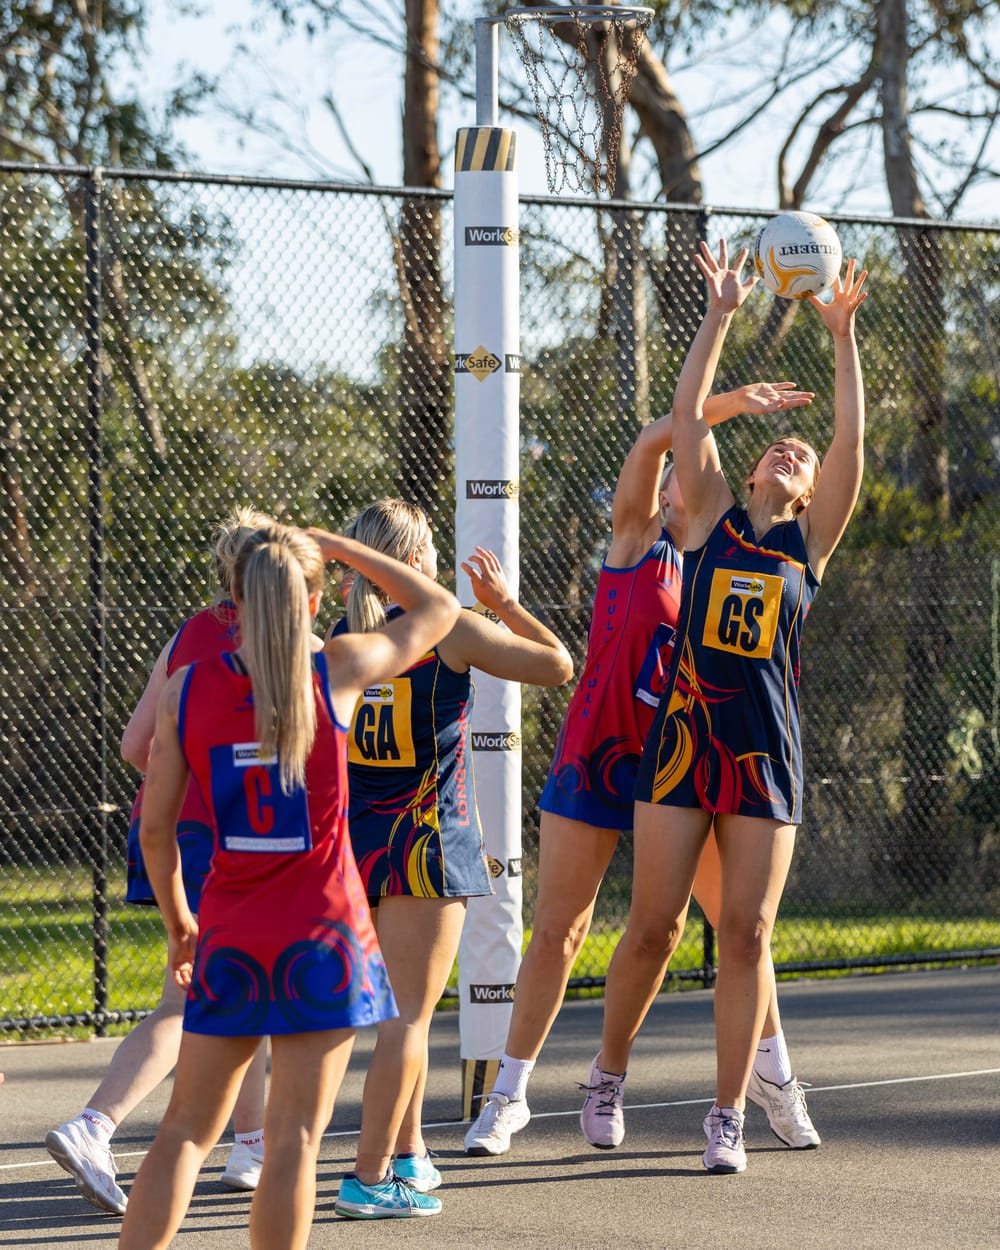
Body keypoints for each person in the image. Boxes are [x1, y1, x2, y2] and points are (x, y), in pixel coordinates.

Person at [464, 371, 822, 1159]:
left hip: (689, 760)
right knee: (560, 928)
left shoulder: (740, 553)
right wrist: (728, 404)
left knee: (737, 932)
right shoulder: (637, 541)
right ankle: (508, 1096)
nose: (687, 470)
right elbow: (664, 434)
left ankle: (775, 1079)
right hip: (605, 752)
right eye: (678, 468)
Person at [594, 240, 867, 1175]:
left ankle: (727, 1115)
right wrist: (719, 314)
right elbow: (685, 416)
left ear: (809, 491)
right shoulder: (709, 518)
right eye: (778, 447)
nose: (792, 451)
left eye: (802, 456)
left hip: (763, 753)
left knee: (746, 932)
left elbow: (849, 444)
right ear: (748, 474)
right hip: (683, 743)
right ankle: (607, 1076)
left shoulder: (807, 545)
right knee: (653, 927)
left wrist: (842, 336)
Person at [116, 522, 460, 1250]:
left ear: (233, 595)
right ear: (313, 599)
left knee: (183, 1133)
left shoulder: (187, 689)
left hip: (233, 933)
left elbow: (156, 831)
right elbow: (438, 608)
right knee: (296, 1139)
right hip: (324, 937)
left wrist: (180, 924)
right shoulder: (340, 667)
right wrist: (345, 547)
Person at [330, 499, 573, 1220]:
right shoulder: (447, 627)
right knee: (408, 1022)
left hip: (357, 847)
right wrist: (507, 605)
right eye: (432, 548)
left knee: (401, 1016)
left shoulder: (343, 637)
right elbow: (558, 665)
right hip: (426, 844)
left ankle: (407, 1153)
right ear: (414, 561)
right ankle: (367, 1177)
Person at [46, 508, 273, 1215]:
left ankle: (252, 1146)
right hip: (232, 839)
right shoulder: (290, 640)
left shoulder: (187, 634)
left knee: (243, 990)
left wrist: (188, 768)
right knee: (193, 997)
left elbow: (134, 747)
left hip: (171, 827)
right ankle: (94, 1125)